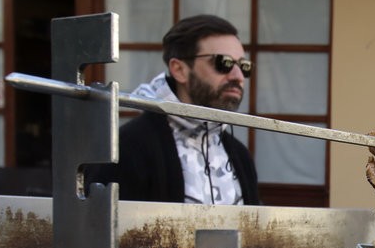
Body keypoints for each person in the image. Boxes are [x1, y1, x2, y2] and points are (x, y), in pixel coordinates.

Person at [95, 14, 259, 205]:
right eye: (224, 63)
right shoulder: (127, 147)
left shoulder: (239, 154)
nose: (238, 76)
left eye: (244, 66)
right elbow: (101, 229)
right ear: (179, 69)